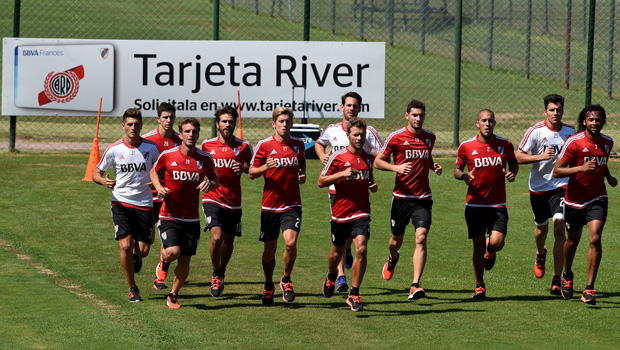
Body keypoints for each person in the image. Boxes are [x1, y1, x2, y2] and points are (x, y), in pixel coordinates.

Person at [314, 91, 383, 293]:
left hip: (361, 197)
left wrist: (370, 178)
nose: (351, 108)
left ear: (359, 108)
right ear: (342, 107)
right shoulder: (332, 131)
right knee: (338, 246)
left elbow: (380, 155)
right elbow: (319, 144)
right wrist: (323, 158)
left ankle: (352, 290)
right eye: (349, 105)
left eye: (355, 105)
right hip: (337, 192)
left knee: (361, 244)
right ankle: (336, 275)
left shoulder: (368, 132)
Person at [374, 99, 442, 300]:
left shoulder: (430, 137)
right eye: (414, 115)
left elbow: (425, 157)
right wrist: (396, 168)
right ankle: (393, 257)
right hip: (401, 198)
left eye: (421, 115)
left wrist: (433, 166)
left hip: (423, 198)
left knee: (421, 238)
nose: (418, 118)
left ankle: (415, 285)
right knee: (396, 241)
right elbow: (378, 161)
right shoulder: (396, 137)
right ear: (407, 115)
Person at [150, 117, 220, 309]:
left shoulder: (205, 158)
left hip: (191, 219)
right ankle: (164, 261)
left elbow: (215, 179)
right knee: (173, 252)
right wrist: (158, 187)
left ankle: (173, 295)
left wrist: (210, 183)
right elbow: (154, 172)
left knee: (185, 260)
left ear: (198, 135)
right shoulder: (168, 155)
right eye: (187, 132)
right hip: (169, 215)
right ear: (180, 135)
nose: (191, 135)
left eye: (194, 132)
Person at [92, 108, 160, 302]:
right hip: (120, 202)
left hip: (145, 204)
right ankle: (133, 288)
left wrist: (156, 182)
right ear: (123, 126)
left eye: (136, 124)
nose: (133, 127)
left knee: (143, 250)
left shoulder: (151, 148)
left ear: (141, 126)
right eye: (129, 124)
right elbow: (95, 173)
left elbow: (162, 169)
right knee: (125, 245)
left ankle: (136, 256)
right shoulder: (114, 149)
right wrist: (103, 181)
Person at [553, 104, 616, 305]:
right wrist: (581, 168)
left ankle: (589, 288)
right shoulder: (574, 143)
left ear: (602, 121)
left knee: (595, 238)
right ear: (584, 122)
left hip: (597, 197)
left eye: (598, 120)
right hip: (574, 200)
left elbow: (602, 162)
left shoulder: (608, 142)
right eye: (591, 120)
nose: (595, 123)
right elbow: (557, 171)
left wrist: (609, 177)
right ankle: (567, 274)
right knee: (572, 241)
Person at [453, 109, 518, 300]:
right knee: (477, 246)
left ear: (494, 123)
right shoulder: (466, 146)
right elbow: (456, 169)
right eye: (484, 120)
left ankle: (492, 249)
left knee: (497, 242)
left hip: (498, 205)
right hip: (474, 206)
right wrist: (463, 176)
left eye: (490, 121)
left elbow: (514, 163)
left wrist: (512, 173)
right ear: (477, 123)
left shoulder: (505, 144)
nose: (487, 124)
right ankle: (479, 285)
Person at [516, 94, 574, 295]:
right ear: (545, 112)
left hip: (561, 188)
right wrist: (541, 156)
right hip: (539, 189)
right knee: (541, 230)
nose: (555, 113)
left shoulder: (570, 132)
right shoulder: (535, 131)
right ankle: (540, 253)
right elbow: (518, 156)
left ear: (562, 111)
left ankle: (557, 278)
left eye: (558, 109)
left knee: (559, 229)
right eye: (551, 110)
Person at [319, 117, 377, 312]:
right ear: (348, 135)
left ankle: (354, 293)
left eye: (362, 135)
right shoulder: (338, 157)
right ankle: (331, 275)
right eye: (356, 135)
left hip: (362, 212)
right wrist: (340, 175)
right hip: (341, 213)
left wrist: (372, 185)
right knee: (336, 252)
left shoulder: (369, 158)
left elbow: (369, 179)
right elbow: (321, 181)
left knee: (361, 249)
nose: (359, 138)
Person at [249, 107, 306, 306]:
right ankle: (268, 284)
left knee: (290, 243)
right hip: (270, 207)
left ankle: (286, 279)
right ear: (274, 123)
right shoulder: (264, 145)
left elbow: (301, 164)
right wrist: (266, 167)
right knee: (269, 251)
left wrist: (302, 174)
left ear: (291, 124)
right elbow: (251, 172)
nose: (284, 124)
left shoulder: (298, 144)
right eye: (280, 121)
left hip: (292, 205)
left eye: (287, 121)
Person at [201, 106, 253, 297]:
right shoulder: (207, 145)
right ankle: (215, 273)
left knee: (228, 243)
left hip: (233, 202)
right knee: (216, 237)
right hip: (212, 198)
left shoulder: (244, 146)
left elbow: (255, 170)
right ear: (217, 124)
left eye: (231, 121)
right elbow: (202, 169)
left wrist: (244, 169)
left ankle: (222, 271)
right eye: (224, 121)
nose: (227, 125)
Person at [143, 102, 182, 291]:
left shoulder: (180, 140)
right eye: (165, 117)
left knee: (167, 240)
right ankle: (136, 252)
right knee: (146, 243)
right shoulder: (148, 140)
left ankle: (160, 275)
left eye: (171, 117)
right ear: (158, 119)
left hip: (168, 198)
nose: (168, 120)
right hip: (147, 197)